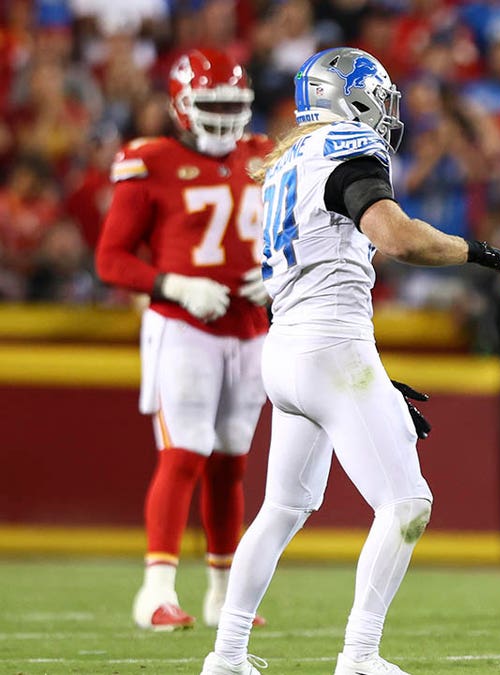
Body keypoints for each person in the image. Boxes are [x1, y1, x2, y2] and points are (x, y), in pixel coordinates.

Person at [200, 47, 500, 675]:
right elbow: (396, 236)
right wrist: (477, 251)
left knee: (282, 509)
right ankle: (358, 656)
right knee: (407, 505)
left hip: (288, 350)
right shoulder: (345, 145)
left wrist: (364, 376)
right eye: (378, 96)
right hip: (329, 347)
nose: (385, 112)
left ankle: (228, 655)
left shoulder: (286, 159)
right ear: (348, 98)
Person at [94, 48, 271, 632]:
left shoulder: (265, 156)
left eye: (232, 104)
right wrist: (172, 284)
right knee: (184, 453)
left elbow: (295, 235)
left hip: (250, 330)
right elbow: (111, 259)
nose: (223, 117)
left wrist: (276, 275)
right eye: (212, 103)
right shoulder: (151, 161)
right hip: (184, 328)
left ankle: (225, 595)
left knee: (231, 464)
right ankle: (157, 592)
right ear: (182, 104)